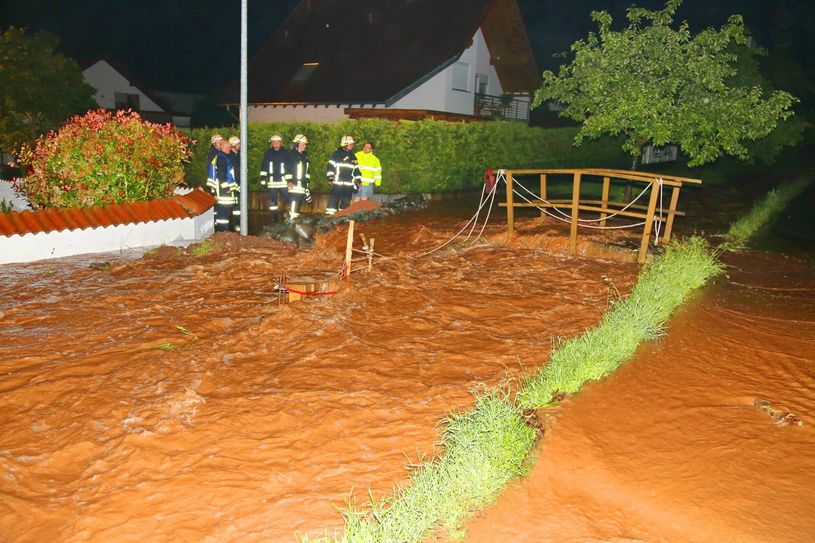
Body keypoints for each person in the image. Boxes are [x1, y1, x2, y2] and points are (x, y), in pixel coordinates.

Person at [206, 138, 239, 232]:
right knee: (223, 211)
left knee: (224, 210)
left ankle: (222, 230)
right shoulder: (221, 158)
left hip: (224, 189)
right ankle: (222, 231)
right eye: (226, 147)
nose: (228, 149)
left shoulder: (224, 157)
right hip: (223, 190)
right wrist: (226, 187)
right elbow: (221, 174)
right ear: (221, 148)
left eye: (229, 146)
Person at [325, 135, 360, 215]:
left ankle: (342, 221)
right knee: (332, 204)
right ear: (345, 144)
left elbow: (356, 169)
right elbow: (330, 167)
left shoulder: (353, 156)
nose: (352, 146)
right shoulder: (336, 154)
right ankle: (329, 220)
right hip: (337, 184)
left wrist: (359, 179)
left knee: (345, 206)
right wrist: (330, 178)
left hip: (348, 186)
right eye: (351, 144)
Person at [260, 134, 289, 218]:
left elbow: (289, 167)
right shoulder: (268, 153)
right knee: (272, 202)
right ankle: (274, 217)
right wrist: (263, 178)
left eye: (278, 142)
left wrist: (290, 180)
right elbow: (264, 166)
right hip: (272, 182)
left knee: (289, 199)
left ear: (281, 143)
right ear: (271, 143)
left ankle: (291, 216)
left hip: (284, 182)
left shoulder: (285, 153)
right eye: (274, 142)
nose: (276, 143)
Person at [286, 134, 312, 222]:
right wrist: (289, 181)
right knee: (294, 203)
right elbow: (288, 169)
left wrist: (307, 187)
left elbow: (307, 172)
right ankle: (291, 222)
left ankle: (294, 222)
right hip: (294, 185)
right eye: (304, 144)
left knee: (298, 204)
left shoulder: (305, 156)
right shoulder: (291, 155)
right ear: (298, 144)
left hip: (302, 186)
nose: (305, 146)